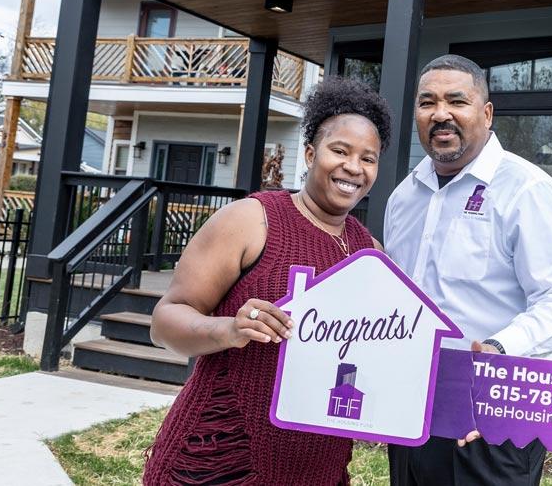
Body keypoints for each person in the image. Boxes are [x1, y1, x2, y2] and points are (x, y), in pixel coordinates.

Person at [144, 76, 392, 486]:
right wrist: (229, 329)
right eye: (340, 150)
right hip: (220, 460)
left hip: (318, 468)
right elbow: (165, 320)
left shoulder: (371, 253)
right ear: (311, 153)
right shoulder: (251, 220)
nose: (354, 167)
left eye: (369, 158)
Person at [383, 54, 552, 486]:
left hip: (495, 415)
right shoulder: (402, 198)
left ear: (486, 113)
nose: (441, 114)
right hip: (412, 406)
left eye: (456, 101)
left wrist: (501, 347)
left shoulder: (527, 190)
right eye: (427, 103)